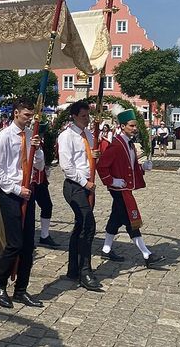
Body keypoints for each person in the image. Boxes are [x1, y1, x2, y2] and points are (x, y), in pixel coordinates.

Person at [0, 99, 45, 308]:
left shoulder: (31, 135)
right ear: (15, 114)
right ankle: (0, 283)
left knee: (28, 244)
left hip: (27, 193)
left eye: (31, 116)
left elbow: (39, 164)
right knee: (15, 243)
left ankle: (21, 289)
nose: (29, 120)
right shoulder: (3, 138)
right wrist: (15, 188)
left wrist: (37, 150)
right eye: (26, 116)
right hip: (11, 193)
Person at [96, 107, 164, 267]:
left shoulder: (129, 144)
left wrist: (142, 168)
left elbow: (130, 167)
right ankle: (147, 254)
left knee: (116, 218)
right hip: (119, 189)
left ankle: (106, 250)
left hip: (124, 188)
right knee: (131, 220)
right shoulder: (116, 145)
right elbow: (102, 166)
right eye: (131, 126)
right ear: (122, 126)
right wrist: (112, 181)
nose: (134, 129)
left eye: (135, 126)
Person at [57, 101, 102, 290]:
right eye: (83, 116)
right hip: (75, 185)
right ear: (74, 116)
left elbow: (89, 158)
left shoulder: (89, 135)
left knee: (80, 226)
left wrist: (95, 155)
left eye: (88, 115)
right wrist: (85, 182)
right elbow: (67, 166)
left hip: (87, 185)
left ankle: (73, 268)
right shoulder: (66, 136)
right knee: (88, 224)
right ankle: (85, 271)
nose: (87, 119)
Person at [34, 122, 58, 248]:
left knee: (47, 205)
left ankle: (44, 234)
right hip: (30, 181)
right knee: (29, 210)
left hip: (41, 180)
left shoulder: (41, 144)